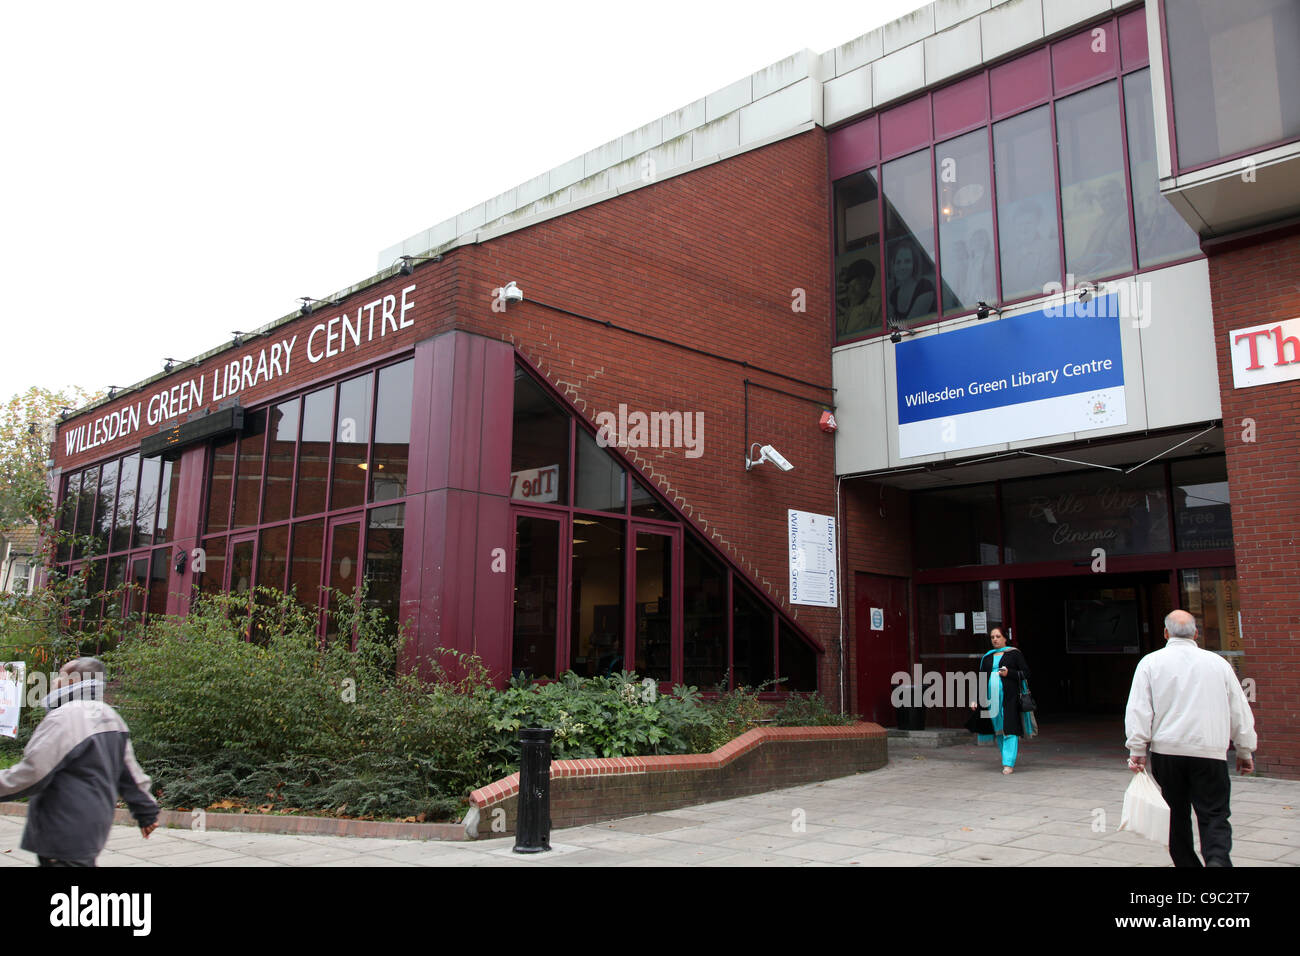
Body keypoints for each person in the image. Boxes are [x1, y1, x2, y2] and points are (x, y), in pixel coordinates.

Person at [1124, 609, 1257, 867]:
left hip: (1168, 751)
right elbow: (1239, 709)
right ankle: (1217, 861)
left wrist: (1137, 748)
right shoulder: (1219, 664)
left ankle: (1186, 863)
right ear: (1196, 633)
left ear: (1165, 633)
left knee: (1175, 812)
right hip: (1209, 751)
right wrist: (1244, 749)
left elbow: (1139, 709)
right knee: (1215, 812)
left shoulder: (1150, 663)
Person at [0, 657, 159, 866]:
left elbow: (34, 772)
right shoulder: (110, 716)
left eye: (60, 676)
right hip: (93, 828)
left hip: (63, 828)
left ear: (73, 682)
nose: (55, 681)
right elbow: (130, 773)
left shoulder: (65, 717)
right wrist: (146, 812)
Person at [967, 627, 1034, 774]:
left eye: (998, 636)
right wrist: (975, 699)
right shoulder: (988, 657)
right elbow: (982, 680)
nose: (995, 640)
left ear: (1005, 638)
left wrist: (1009, 673)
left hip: (1010, 698)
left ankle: (1008, 763)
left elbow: (1026, 673)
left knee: (1010, 727)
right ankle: (1006, 758)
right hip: (992, 700)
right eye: (992, 637)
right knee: (998, 729)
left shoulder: (1014, 654)